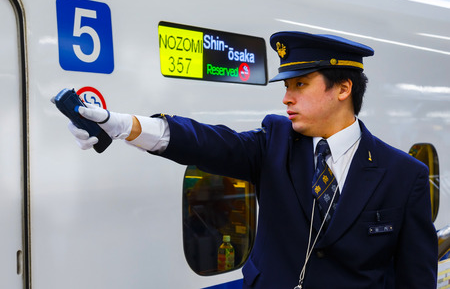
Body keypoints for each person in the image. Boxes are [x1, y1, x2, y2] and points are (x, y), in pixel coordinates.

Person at [62, 31, 438, 288]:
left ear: (343, 88)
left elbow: (415, 277)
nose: (286, 98)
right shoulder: (274, 142)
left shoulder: (405, 176)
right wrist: (123, 126)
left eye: (300, 85)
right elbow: (205, 142)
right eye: (287, 87)